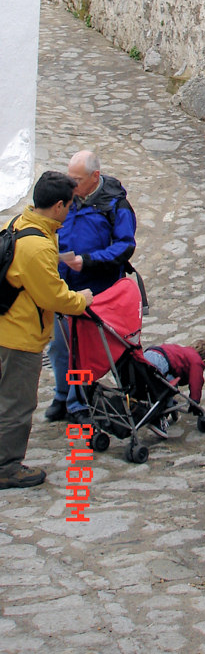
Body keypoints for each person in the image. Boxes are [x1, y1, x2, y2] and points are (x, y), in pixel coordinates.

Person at [0, 172, 93, 488]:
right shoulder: (37, 247)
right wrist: (81, 300)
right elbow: (51, 296)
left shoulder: (15, 225)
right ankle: (7, 467)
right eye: (69, 205)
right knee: (17, 403)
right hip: (19, 337)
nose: (70, 211)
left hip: (5, 327)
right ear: (57, 206)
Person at [45, 150, 136, 422]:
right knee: (59, 346)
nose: (71, 184)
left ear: (94, 177)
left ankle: (79, 401)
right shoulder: (67, 198)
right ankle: (63, 395)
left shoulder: (116, 205)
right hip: (64, 287)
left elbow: (125, 245)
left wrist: (89, 260)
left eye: (76, 179)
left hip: (96, 290)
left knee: (83, 349)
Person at [142, 339, 205, 405]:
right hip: (161, 362)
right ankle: (167, 406)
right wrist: (195, 401)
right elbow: (196, 381)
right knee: (170, 386)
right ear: (204, 361)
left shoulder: (183, 351)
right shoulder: (197, 361)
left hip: (149, 354)